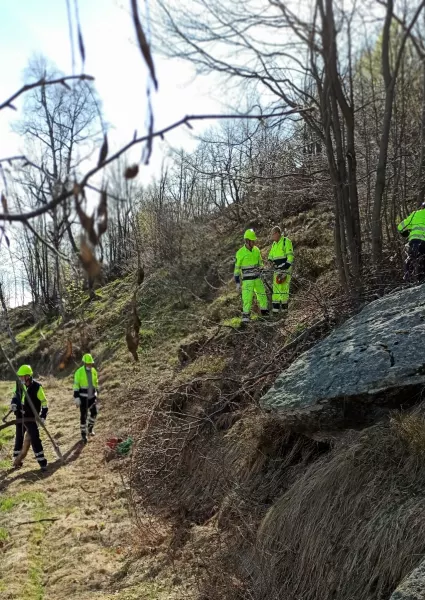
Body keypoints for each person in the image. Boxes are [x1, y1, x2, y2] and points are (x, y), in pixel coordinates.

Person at [10, 364, 48, 471]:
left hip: (31, 417)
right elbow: (15, 396)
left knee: (35, 438)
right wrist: (13, 404)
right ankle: (17, 460)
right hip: (20, 415)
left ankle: (42, 462)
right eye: (20, 376)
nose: (21, 378)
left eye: (23, 376)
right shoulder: (19, 384)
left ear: (29, 376)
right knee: (19, 437)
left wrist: (43, 416)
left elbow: (44, 403)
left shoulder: (37, 387)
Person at [234, 229, 269, 323]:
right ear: (247, 241)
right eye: (252, 240)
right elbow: (236, 270)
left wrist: (262, 270)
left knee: (262, 296)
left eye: (254, 240)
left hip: (257, 279)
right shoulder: (240, 253)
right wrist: (237, 283)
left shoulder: (256, 250)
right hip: (247, 281)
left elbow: (260, 263)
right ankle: (245, 321)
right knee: (247, 300)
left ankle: (265, 317)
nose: (254, 242)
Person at [268, 225, 294, 314]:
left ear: (278, 233)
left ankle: (284, 311)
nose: (272, 237)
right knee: (276, 290)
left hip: (285, 269)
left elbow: (290, 256)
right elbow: (270, 256)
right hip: (277, 270)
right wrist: (270, 261)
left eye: (273, 234)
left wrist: (285, 267)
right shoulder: (274, 244)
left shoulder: (286, 241)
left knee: (284, 290)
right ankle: (275, 312)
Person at [73, 354, 99, 443]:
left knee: (94, 413)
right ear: (84, 363)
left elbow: (96, 383)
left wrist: (96, 393)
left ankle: (90, 429)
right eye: (88, 364)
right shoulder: (79, 372)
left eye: (90, 364)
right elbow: (76, 385)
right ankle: (83, 435)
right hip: (83, 398)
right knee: (83, 416)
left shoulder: (94, 371)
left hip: (92, 398)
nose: (89, 365)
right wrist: (76, 397)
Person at [398, 203, 425, 281]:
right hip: (424, 242)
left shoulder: (415, 214)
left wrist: (404, 233)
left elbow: (400, 226)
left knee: (410, 259)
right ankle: (421, 279)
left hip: (414, 241)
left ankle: (407, 277)